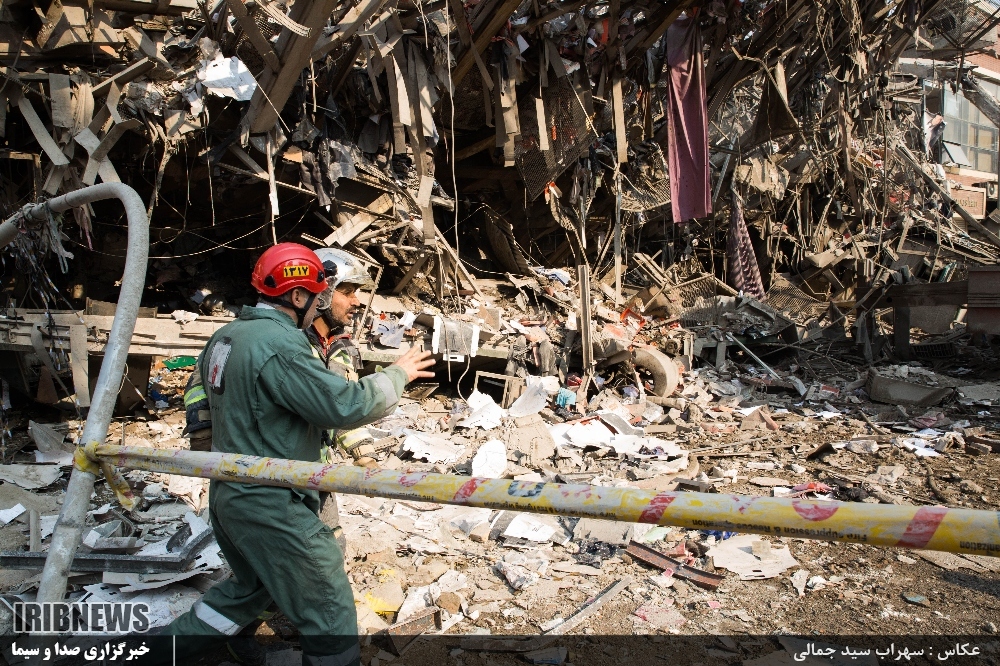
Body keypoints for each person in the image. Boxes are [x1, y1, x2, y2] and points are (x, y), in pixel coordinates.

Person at [164, 243, 435, 666]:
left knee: (247, 593)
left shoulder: (227, 336)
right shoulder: (280, 344)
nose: (329, 302)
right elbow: (343, 405)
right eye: (322, 293)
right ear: (297, 295)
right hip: (271, 500)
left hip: (230, 493)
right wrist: (397, 374)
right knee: (329, 608)